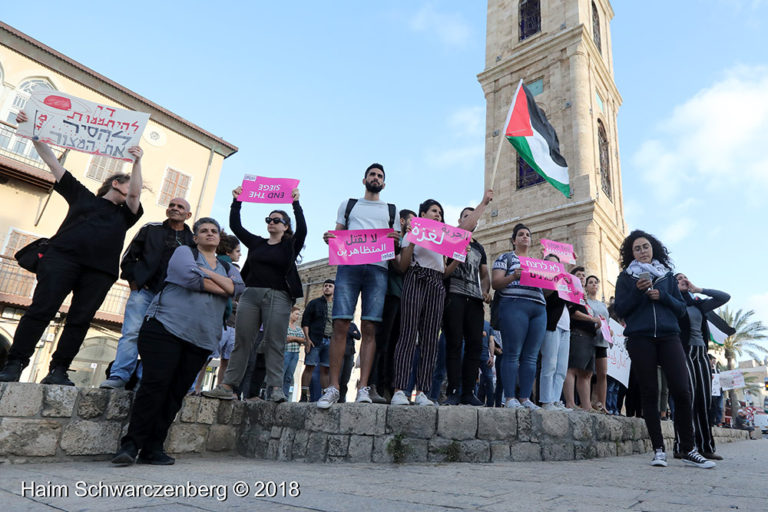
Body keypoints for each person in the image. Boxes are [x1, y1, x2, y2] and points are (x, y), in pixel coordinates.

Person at [0, 111, 143, 385]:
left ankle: (58, 371)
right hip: (61, 260)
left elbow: (135, 194)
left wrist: (137, 161)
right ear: (115, 183)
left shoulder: (128, 213)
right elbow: (52, 161)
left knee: (80, 320)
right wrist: (30, 128)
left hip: (100, 272)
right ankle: (14, 364)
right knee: (41, 310)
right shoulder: (82, 195)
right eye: (128, 181)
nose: (134, 188)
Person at [112, 218, 244, 465]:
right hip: (165, 328)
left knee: (175, 394)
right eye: (203, 231)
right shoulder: (185, 251)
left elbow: (238, 289)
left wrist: (206, 274)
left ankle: (153, 448)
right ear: (195, 237)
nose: (209, 234)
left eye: (214, 231)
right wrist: (221, 285)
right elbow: (188, 277)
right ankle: (130, 446)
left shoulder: (229, 268)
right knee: (155, 385)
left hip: (201, 338)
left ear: (219, 238)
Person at [614, 229, 715, 469]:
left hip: (670, 337)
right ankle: (658, 450)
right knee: (650, 392)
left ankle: (689, 449)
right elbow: (621, 309)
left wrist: (663, 297)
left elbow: (680, 308)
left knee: (682, 390)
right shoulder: (625, 278)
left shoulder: (667, 276)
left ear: (653, 249)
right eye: (637, 249)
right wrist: (640, 293)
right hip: (640, 338)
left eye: (645, 247)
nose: (642, 251)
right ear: (631, 254)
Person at [204, 185, 306, 402]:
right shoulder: (257, 242)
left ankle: (275, 388)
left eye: (276, 220)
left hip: (278, 296)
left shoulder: (290, 245)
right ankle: (228, 385)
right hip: (250, 295)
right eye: (269, 219)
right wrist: (237, 201)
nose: (271, 222)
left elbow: (303, 230)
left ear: (286, 226)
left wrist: (296, 204)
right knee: (243, 340)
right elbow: (236, 226)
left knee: (274, 341)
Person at [318, 163, 399, 407]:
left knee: (370, 327)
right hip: (349, 267)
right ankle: (332, 387)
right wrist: (329, 238)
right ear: (364, 180)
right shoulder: (348, 204)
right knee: (340, 323)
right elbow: (338, 233)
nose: (376, 178)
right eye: (372, 174)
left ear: (384, 184)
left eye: (380, 176)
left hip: (378, 269)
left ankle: (363, 387)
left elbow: (394, 247)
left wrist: (396, 240)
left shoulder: (391, 210)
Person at [100, 198, 195, 389]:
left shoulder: (193, 240)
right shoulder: (151, 229)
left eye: (180, 207)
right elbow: (128, 257)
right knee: (132, 333)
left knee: (160, 340)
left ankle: (145, 381)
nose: (174, 209)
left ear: (188, 215)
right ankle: (119, 376)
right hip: (144, 293)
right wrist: (135, 282)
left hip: (173, 300)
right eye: (172, 205)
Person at [390, 199, 461, 406]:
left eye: (440, 212)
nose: (438, 215)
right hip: (415, 277)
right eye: (433, 211)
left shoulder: (443, 240)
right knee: (408, 334)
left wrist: (457, 258)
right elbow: (402, 266)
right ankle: (400, 390)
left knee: (431, 338)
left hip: (436, 283)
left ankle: (422, 391)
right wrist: (411, 239)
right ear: (423, 214)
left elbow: (445, 271)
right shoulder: (412, 233)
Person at [442, 192, 494, 406]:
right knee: (454, 344)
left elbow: (484, 273)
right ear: (459, 221)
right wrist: (483, 203)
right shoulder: (451, 236)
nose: (470, 219)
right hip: (454, 295)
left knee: (474, 345)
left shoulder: (479, 247)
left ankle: (468, 392)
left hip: (474, 301)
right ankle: (453, 390)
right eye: (466, 216)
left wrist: (485, 290)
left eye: (473, 217)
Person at [673, 273, 730, 460]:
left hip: (702, 354)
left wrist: (698, 289)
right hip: (684, 352)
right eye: (678, 278)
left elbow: (724, 297)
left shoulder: (698, 303)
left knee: (704, 401)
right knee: (687, 400)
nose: (683, 279)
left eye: (685, 278)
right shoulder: (674, 304)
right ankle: (682, 446)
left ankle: (706, 446)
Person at [491, 223, 547, 410]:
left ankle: (525, 397)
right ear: (514, 240)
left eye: (528, 235)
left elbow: (547, 291)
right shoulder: (505, 258)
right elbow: (496, 283)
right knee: (512, 352)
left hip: (539, 309)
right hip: (514, 306)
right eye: (521, 234)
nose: (525, 237)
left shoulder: (538, 262)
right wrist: (513, 276)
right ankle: (509, 398)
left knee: (531, 356)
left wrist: (556, 274)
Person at [371, 209, 416, 403]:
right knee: (383, 342)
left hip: (405, 298)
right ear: (403, 221)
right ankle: (375, 385)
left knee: (398, 344)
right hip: (389, 294)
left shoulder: (414, 244)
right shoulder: (394, 240)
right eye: (412, 221)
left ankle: (391, 386)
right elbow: (398, 266)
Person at [563, 267, 599, 411]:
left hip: (589, 337)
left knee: (586, 373)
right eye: (579, 275)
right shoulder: (572, 292)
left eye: (584, 275)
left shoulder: (584, 298)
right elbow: (574, 312)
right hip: (578, 334)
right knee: (572, 369)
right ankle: (570, 403)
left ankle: (587, 406)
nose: (583, 277)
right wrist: (592, 319)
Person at [539, 254, 571, 411]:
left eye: (557, 265)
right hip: (552, 324)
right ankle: (546, 400)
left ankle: (556, 399)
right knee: (549, 363)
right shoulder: (543, 281)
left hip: (566, 327)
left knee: (561, 367)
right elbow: (544, 295)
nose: (554, 267)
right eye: (551, 264)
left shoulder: (564, 281)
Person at [299, 280, 335, 401]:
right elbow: (305, 321)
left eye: (330, 286)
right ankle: (304, 395)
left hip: (330, 341)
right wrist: (307, 339)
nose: (327, 288)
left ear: (334, 289)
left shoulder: (337, 306)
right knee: (309, 367)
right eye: (325, 286)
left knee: (326, 369)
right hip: (315, 340)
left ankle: (325, 397)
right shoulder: (314, 303)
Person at [585, 275, 611, 413]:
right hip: (590, 339)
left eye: (596, 282)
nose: (594, 284)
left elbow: (607, 321)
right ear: (586, 286)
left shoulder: (602, 305)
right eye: (591, 282)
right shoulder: (585, 302)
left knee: (602, 374)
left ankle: (602, 403)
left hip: (602, 341)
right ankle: (589, 402)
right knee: (589, 373)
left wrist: (610, 330)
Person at [283, 306, 305, 400]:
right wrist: (297, 339)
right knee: (281, 374)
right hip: (285, 352)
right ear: (290, 314)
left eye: (299, 315)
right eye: (296, 314)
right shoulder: (284, 326)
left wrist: (293, 338)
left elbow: (304, 340)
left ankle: (285, 396)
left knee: (289, 376)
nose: (298, 316)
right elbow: (285, 338)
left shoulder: (298, 328)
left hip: (295, 354)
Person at [339, 322, 362, 402]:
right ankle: (336, 396)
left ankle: (342, 398)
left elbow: (358, 336)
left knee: (346, 377)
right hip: (340, 353)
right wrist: (352, 332)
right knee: (339, 376)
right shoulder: (340, 323)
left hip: (350, 353)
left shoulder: (352, 325)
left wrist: (349, 332)